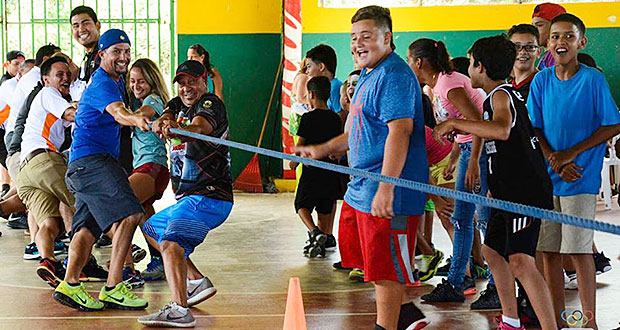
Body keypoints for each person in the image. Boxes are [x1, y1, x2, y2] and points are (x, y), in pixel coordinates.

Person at [298, 6, 429, 330]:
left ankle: (386, 326)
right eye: (354, 37)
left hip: (388, 190)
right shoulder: (370, 75)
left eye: (366, 37)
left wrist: (386, 187)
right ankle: (407, 313)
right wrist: (324, 148)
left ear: (388, 38)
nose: (357, 44)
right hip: (361, 188)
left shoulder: (395, 76)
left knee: (385, 268)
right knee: (368, 261)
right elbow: (360, 131)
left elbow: (400, 131)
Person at [435, 34, 558, 330]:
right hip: (505, 193)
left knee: (521, 261)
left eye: (471, 64)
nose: (468, 71)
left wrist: (454, 122)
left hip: (524, 194)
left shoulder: (502, 95)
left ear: (480, 67)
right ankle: (511, 320)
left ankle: (551, 327)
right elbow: (498, 145)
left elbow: (501, 130)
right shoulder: (495, 97)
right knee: (492, 252)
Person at [529, 14, 620, 330]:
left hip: (580, 176)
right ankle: (557, 319)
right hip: (547, 178)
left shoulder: (592, 79)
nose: (560, 42)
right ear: (548, 43)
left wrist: (571, 155)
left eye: (568, 37)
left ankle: (589, 322)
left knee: (579, 251)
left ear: (582, 42)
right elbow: (535, 127)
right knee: (548, 250)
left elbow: (612, 123)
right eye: (555, 36)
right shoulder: (541, 80)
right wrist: (552, 157)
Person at [53, 29, 150, 312]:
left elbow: (126, 112)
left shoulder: (115, 83)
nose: (123, 57)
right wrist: (135, 119)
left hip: (83, 167)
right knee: (131, 214)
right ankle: (113, 286)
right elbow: (119, 113)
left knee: (86, 227)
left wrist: (145, 116)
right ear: (102, 55)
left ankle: (70, 284)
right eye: (116, 52)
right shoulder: (104, 84)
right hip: (93, 162)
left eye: (126, 51)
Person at [138, 60, 233, 327]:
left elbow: (201, 127)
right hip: (189, 197)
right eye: (182, 83)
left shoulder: (210, 103)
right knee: (152, 228)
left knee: (171, 245)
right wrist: (164, 122)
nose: (187, 88)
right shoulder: (179, 104)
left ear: (204, 81)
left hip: (209, 196)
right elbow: (168, 113)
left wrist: (179, 130)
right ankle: (196, 281)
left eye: (193, 82)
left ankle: (180, 309)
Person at [407, 38, 488, 302]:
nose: (409, 65)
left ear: (419, 62)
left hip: (483, 153)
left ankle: (492, 283)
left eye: (410, 60)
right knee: (460, 218)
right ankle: (458, 281)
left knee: (482, 219)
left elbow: (477, 122)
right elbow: (464, 128)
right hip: (465, 151)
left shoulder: (448, 84)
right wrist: (456, 157)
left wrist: (473, 160)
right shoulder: (437, 86)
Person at [16, 56, 76, 288]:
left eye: (68, 75)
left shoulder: (54, 101)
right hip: (44, 160)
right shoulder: (48, 93)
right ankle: (84, 262)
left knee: (49, 224)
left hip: (26, 171)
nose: (65, 78)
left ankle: (48, 261)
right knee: (82, 203)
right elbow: (72, 115)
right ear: (45, 79)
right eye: (59, 74)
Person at [127, 58, 171, 283]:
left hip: (152, 167)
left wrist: (121, 115)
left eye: (141, 81)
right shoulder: (140, 101)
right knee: (145, 215)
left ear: (152, 81)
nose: (136, 86)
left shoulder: (153, 100)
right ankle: (162, 258)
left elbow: (143, 113)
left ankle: (126, 263)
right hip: (146, 167)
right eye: (132, 81)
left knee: (121, 206)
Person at [289, 76, 343, 258]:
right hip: (331, 172)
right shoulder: (336, 119)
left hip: (312, 172)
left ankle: (314, 232)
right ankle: (321, 240)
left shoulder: (308, 118)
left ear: (311, 94)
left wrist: (294, 160)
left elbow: (302, 143)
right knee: (324, 208)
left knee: (301, 205)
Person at [304, 44, 344, 248]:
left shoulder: (334, 87)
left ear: (321, 67)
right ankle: (324, 235)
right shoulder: (328, 86)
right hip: (326, 155)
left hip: (331, 154)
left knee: (326, 199)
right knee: (326, 200)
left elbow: (339, 118)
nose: (307, 71)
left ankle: (326, 234)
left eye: (309, 66)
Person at [531, 2, 566, 71]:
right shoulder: (549, 55)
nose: (534, 30)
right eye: (533, 26)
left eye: (539, 25)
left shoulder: (557, 56)